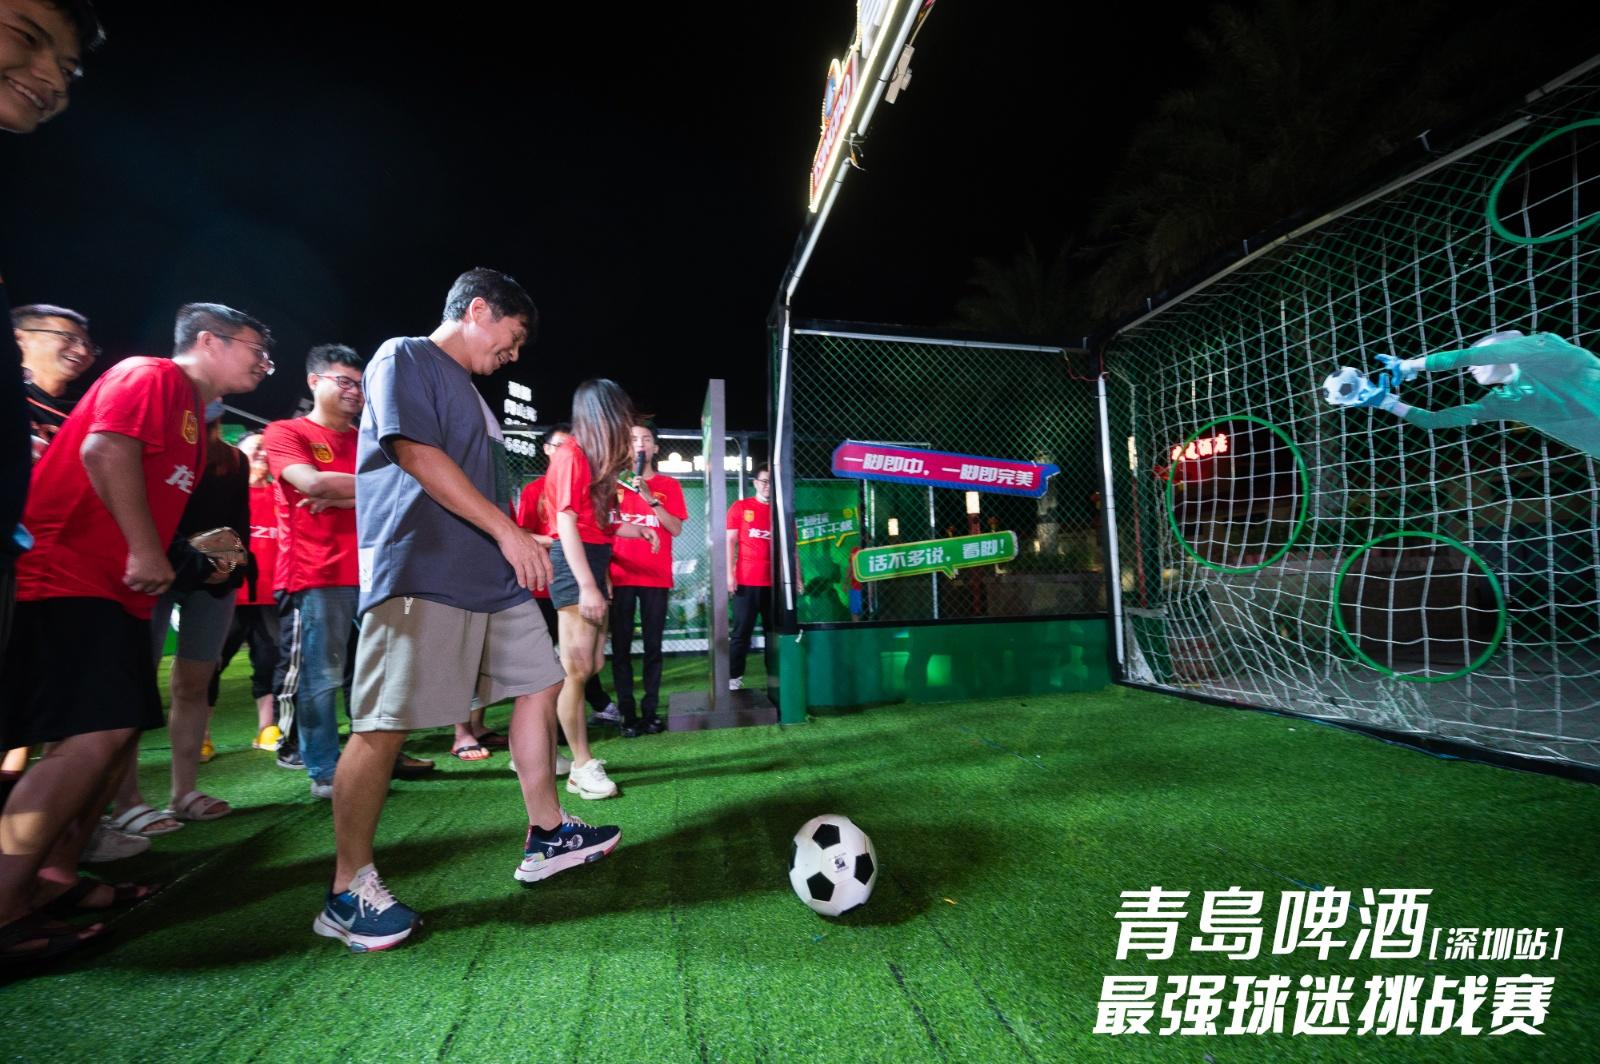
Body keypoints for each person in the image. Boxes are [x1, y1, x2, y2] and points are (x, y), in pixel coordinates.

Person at [315, 268, 618, 952]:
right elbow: (413, 453)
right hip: (421, 570)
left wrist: (518, 537)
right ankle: (346, 890)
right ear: (478, 309)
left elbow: (468, 484)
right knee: (384, 724)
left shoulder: (472, 393)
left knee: (542, 682)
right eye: (513, 336)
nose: (515, 353)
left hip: (488, 575)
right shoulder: (405, 355)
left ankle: (548, 834)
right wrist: (509, 532)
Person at [0, 300, 270, 965]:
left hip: (114, 588)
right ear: (208, 340)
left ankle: (54, 878)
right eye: (255, 349)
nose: (264, 364)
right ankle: (5, 904)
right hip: (68, 576)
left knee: (114, 736)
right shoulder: (152, 375)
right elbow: (103, 449)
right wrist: (147, 551)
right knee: (88, 739)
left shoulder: (193, 423)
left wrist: (181, 557)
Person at [265, 344, 435, 798]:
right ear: (314, 381)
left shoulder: (369, 439)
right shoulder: (287, 431)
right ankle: (325, 770)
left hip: (377, 573)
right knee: (321, 678)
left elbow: (407, 489)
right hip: (317, 574)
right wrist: (372, 487)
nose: (355, 391)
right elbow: (312, 482)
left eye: (361, 384)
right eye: (344, 381)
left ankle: (380, 758)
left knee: (383, 673)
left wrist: (346, 493)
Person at [108, 408, 248, 836]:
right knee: (134, 685)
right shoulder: (149, 449)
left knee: (195, 682)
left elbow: (237, 523)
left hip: (212, 578)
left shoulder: (232, 459)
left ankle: (184, 792)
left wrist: (229, 566)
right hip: (155, 569)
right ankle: (126, 801)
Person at [545, 380, 658, 799]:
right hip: (575, 565)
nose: (627, 427)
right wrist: (588, 585)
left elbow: (602, 524)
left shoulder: (596, 462)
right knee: (575, 669)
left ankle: (545, 750)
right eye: (622, 417)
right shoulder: (571, 454)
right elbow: (566, 524)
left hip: (592, 560)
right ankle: (580, 766)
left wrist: (636, 530)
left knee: (588, 665)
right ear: (605, 416)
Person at [1363, 330, 1600, 459]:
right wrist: (1385, 402)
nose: (1470, 368)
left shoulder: (1547, 348)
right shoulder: (1505, 401)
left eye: (1481, 352)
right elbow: (1433, 420)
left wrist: (1409, 365)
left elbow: (1469, 357)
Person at [608, 422, 686, 735]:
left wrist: (651, 498)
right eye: (633, 439)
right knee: (621, 649)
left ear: (655, 447)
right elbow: (606, 527)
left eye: (646, 439)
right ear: (625, 446)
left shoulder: (669, 485)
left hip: (656, 577)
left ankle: (651, 712)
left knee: (654, 647)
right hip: (621, 575)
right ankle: (627, 715)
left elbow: (675, 528)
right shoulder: (613, 483)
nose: (640, 444)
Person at [211, 431, 283, 751]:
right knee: (209, 664)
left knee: (271, 661)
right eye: (256, 448)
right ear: (237, 454)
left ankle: (268, 728)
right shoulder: (225, 494)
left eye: (268, 449)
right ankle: (199, 735)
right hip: (227, 595)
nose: (263, 453)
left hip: (270, 596)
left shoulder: (282, 495)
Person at [15, 302, 97, 458]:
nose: (83, 351)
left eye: (89, 346)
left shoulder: (93, 409)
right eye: (68, 338)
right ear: (19, 338)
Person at [725, 466, 772, 690]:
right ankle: (734, 678)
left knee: (773, 634)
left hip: (774, 585)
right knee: (741, 633)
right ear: (755, 483)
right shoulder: (741, 507)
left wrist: (797, 577)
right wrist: (729, 575)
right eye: (764, 481)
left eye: (771, 482)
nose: (767, 486)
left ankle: (775, 678)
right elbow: (729, 542)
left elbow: (791, 549)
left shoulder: (781, 511)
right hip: (746, 582)